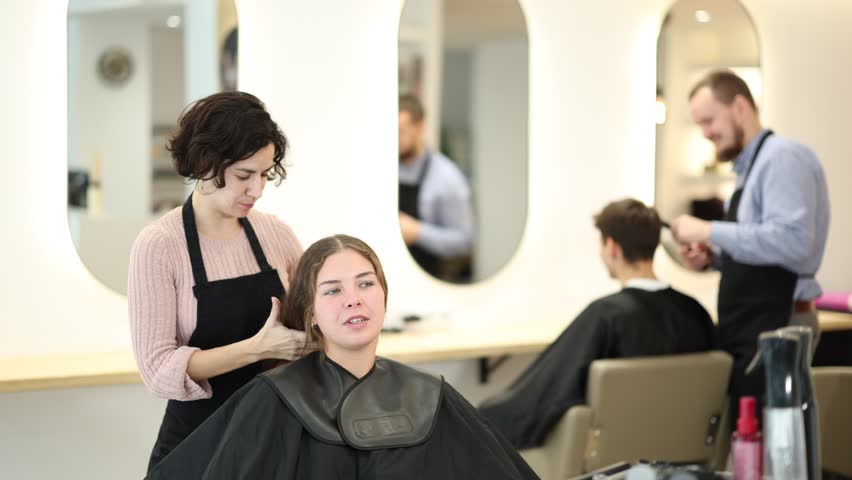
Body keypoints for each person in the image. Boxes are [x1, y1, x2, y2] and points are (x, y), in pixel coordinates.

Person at [145, 235, 539, 479]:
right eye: (333, 290)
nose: (354, 297)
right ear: (311, 313)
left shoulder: (429, 395)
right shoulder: (274, 399)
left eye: (366, 284)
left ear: (384, 297)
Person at [129, 91, 309, 472]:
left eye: (263, 175)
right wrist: (257, 348)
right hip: (197, 445)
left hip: (272, 435)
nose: (257, 190)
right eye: (244, 175)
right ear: (207, 163)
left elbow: (310, 315)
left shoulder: (275, 235)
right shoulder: (160, 245)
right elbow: (158, 370)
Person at [479, 199, 716, 450]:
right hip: (683, 450)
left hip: (615, 457)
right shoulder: (695, 311)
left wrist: (481, 419)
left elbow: (548, 392)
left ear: (612, 247)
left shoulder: (606, 315)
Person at [670, 70, 830, 422]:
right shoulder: (749, 170)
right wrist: (715, 258)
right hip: (754, 324)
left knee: (778, 450)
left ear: (740, 106)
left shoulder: (783, 158)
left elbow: (793, 242)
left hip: (780, 323)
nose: (706, 133)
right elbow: (764, 249)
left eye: (709, 120)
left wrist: (710, 231)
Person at [398, 94, 475, 281]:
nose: (393, 139)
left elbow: (464, 242)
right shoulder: (380, 169)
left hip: (429, 280)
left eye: (400, 131)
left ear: (420, 127)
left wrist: (417, 233)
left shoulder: (447, 178)